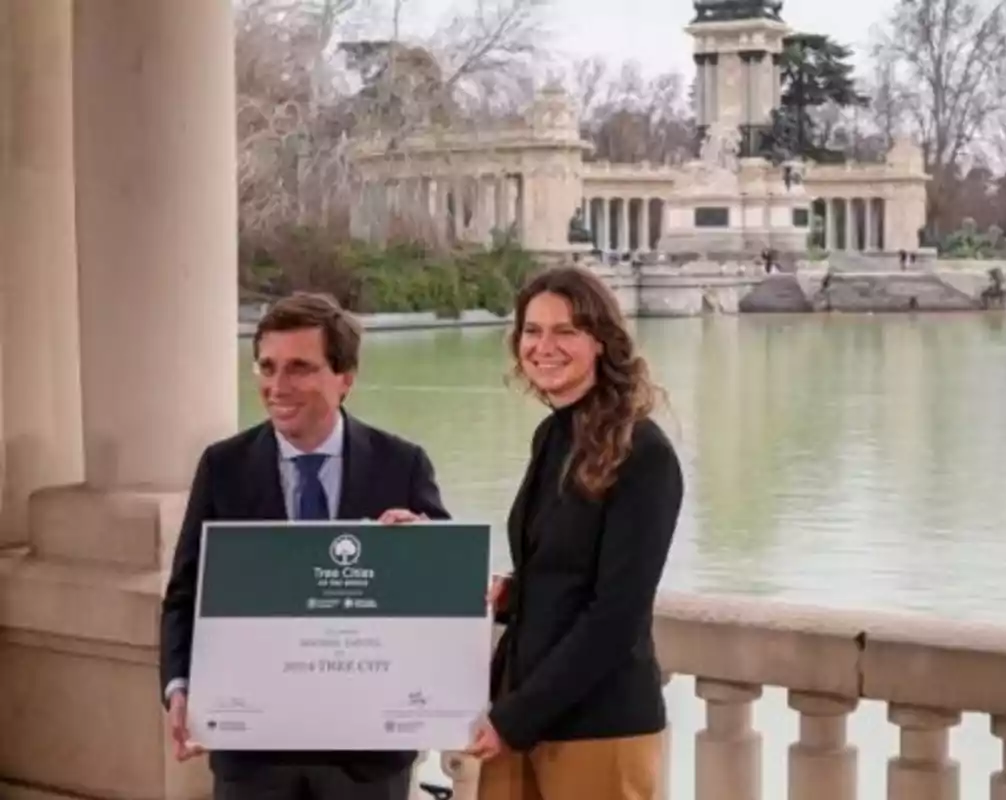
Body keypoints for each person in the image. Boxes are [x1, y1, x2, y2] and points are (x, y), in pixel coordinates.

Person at [159, 292, 449, 800]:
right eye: (267, 367)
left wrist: (423, 554)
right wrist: (178, 686)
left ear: (345, 377)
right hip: (252, 754)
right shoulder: (222, 467)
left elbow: (446, 598)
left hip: (367, 753)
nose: (277, 386)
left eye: (299, 368)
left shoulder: (401, 464)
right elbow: (185, 594)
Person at [465, 266, 684, 800]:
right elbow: (564, 567)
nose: (544, 346)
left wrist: (513, 718)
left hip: (598, 727)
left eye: (565, 331)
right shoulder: (552, 434)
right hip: (525, 715)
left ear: (601, 342)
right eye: (532, 331)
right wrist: (512, 593)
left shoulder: (644, 453)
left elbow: (616, 617)